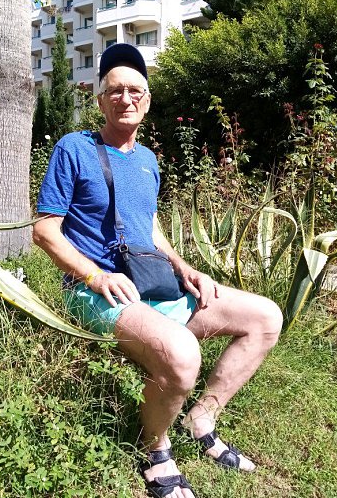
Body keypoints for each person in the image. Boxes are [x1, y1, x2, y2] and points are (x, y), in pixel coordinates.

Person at [33, 43, 283, 498]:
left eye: (135, 90)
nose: (125, 98)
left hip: (152, 281)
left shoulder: (148, 160)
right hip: (95, 290)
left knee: (266, 317)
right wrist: (95, 276)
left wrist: (185, 267)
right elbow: (45, 230)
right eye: (115, 90)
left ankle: (201, 418)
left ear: (147, 101)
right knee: (183, 355)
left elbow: (149, 228)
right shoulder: (74, 148)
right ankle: (155, 447)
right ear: (100, 100)